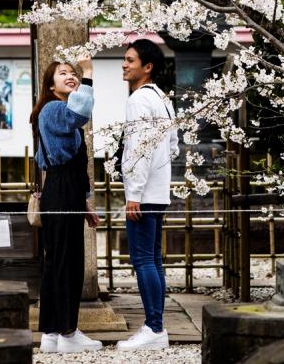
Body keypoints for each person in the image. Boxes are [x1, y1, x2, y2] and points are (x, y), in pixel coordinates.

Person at [31, 58, 102, 354]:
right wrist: (86, 77)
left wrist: (85, 200)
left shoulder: (56, 112)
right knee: (66, 262)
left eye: (72, 73)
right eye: (63, 74)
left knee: (60, 260)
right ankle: (68, 332)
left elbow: (75, 164)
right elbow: (81, 113)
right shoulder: (54, 109)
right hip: (60, 190)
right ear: (50, 85)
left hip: (64, 190)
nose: (70, 77)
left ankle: (51, 332)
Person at [117, 39, 179, 352]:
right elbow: (173, 146)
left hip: (143, 192)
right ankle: (156, 326)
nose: (124, 64)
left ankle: (153, 327)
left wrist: (134, 194)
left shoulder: (139, 99)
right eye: (124, 59)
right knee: (153, 259)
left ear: (147, 67)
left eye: (130, 60)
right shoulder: (163, 99)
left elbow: (137, 150)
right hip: (159, 189)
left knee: (143, 260)